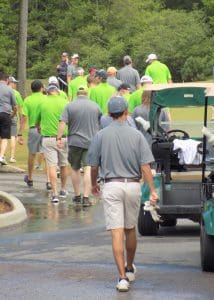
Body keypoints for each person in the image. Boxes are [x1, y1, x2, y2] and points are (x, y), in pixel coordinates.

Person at [87, 96, 158, 292]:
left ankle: (121, 277)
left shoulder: (101, 135)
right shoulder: (137, 135)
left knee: (116, 232)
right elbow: (145, 165)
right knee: (130, 229)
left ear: (109, 114)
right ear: (127, 112)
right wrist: (152, 190)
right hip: (132, 185)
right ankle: (129, 267)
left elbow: (94, 165)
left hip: (111, 185)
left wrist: (93, 184)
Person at [57, 86, 102, 206]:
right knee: (87, 169)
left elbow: (62, 122)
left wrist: (59, 138)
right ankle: (86, 197)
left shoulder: (69, 105)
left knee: (75, 168)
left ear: (77, 94)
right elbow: (101, 122)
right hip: (91, 142)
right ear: (87, 94)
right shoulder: (95, 106)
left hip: (74, 141)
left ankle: (77, 196)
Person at [36, 85, 68, 203]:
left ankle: (54, 194)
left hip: (48, 138)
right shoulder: (64, 102)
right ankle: (63, 190)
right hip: (63, 138)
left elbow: (37, 120)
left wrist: (39, 127)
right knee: (64, 165)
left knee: (52, 166)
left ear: (48, 93)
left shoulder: (43, 102)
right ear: (57, 92)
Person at [18, 80, 51, 189]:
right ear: (42, 88)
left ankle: (31, 178)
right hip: (46, 129)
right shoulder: (46, 99)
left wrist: (20, 133)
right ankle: (49, 180)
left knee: (32, 154)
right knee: (47, 155)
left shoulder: (28, 100)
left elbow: (24, 117)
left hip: (33, 129)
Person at [0, 71, 17, 165]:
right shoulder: (9, 89)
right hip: (5, 114)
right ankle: (1, 156)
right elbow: (15, 106)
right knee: (5, 137)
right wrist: (13, 114)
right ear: (7, 80)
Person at [7, 76, 23, 163]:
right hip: (13, 116)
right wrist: (21, 119)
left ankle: (2, 155)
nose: (15, 85)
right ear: (11, 83)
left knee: (3, 137)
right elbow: (20, 108)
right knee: (13, 136)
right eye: (14, 83)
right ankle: (12, 157)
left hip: (4, 115)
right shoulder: (16, 93)